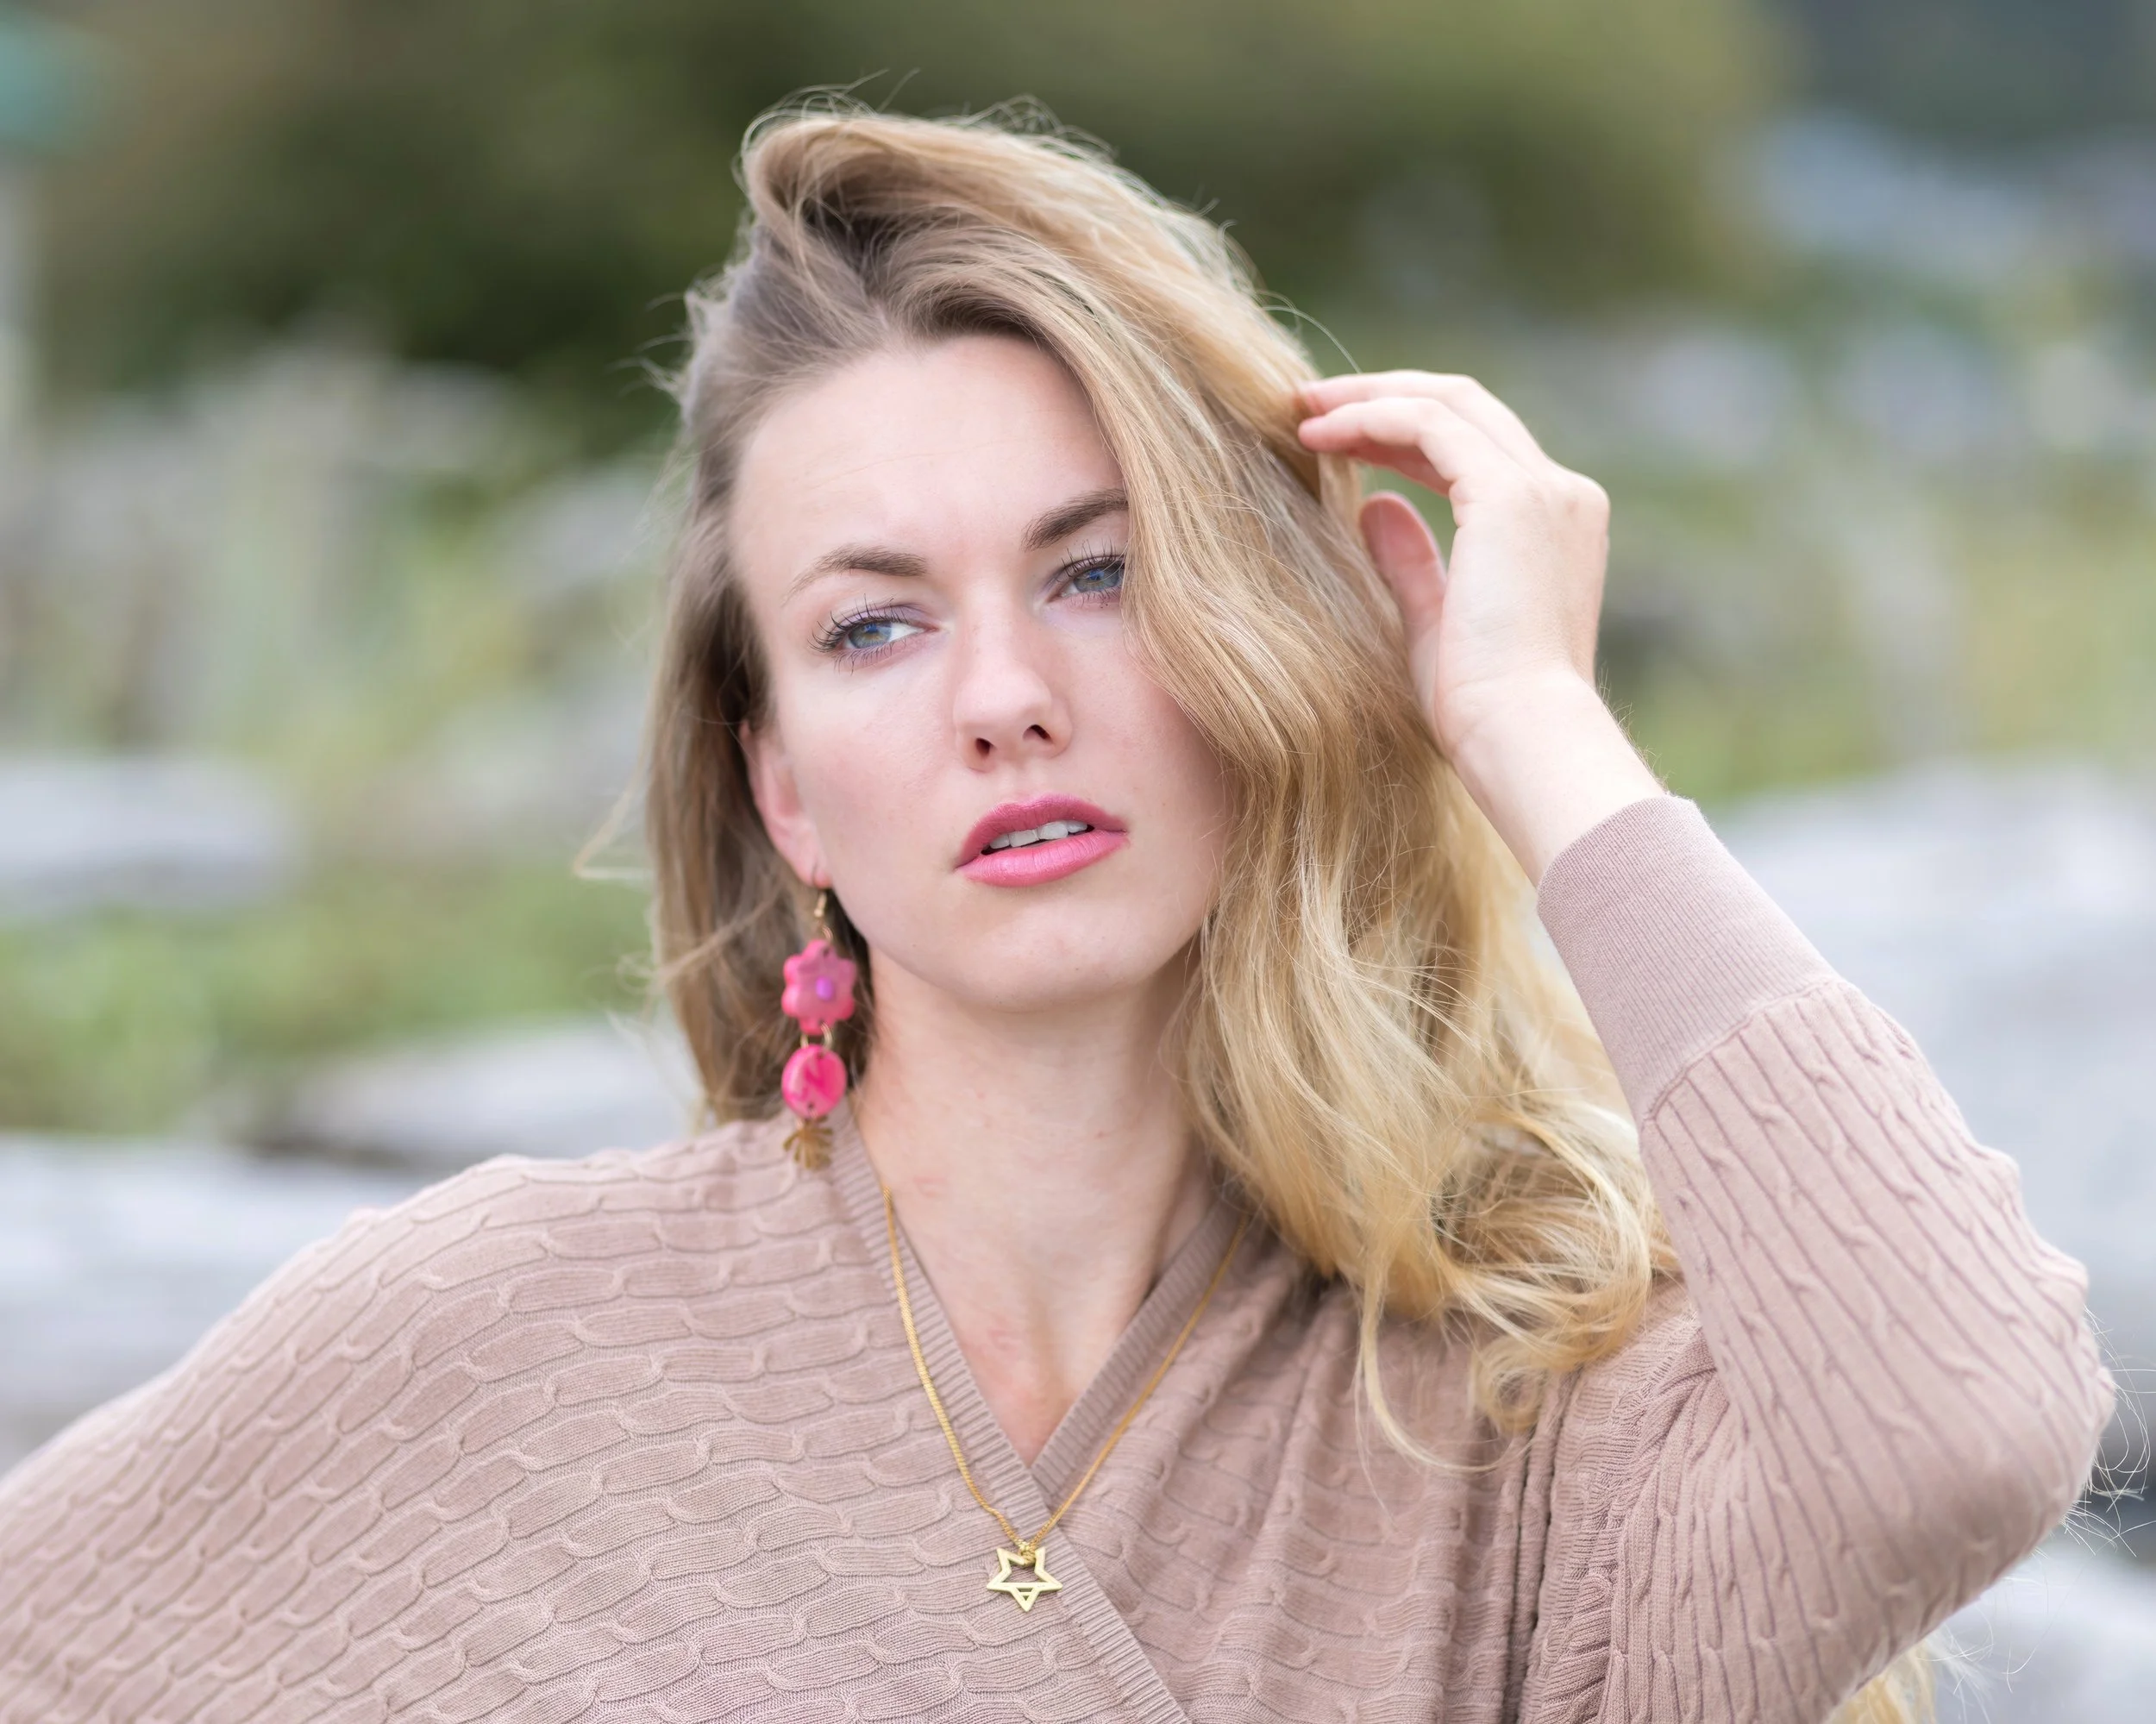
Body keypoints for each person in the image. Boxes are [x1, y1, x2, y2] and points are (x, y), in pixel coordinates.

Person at [0, 105, 2114, 1724]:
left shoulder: (1524, 1416)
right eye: (875, 624)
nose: (1005, 696)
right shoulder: (487, 1336)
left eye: (1095, 575)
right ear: (778, 782)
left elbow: (1961, 1423)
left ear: (1249, 635)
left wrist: (1527, 718)